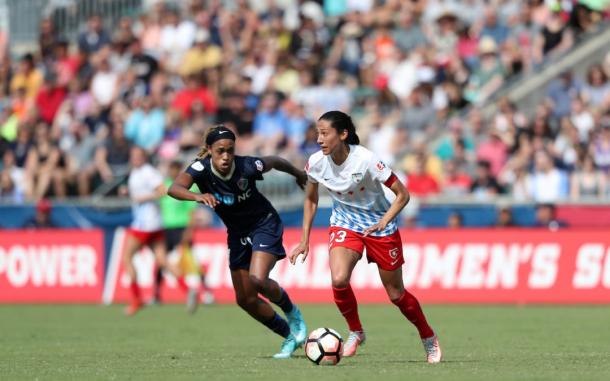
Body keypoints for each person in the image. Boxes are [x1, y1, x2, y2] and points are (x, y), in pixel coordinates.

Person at [289, 111, 442, 363]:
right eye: (318, 133)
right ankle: (356, 331)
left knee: (396, 295)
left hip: (380, 227)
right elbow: (311, 198)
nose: (319, 139)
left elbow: (402, 194)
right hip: (345, 224)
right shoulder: (316, 162)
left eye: (325, 133)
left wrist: (385, 220)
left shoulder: (366, 159)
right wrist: (304, 239)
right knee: (339, 279)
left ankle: (428, 337)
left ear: (343, 134)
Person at [167, 124, 308, 359]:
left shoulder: (247, 166)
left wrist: (297, 174)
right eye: (220, 150)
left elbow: (274, 160)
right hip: (237, 233)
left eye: (230, 150)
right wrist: (197, 196)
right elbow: (174, 188)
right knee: (245, 299)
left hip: (264, 223)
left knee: (258, 279)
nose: (225, 156)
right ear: (209, 149)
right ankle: (291, 336)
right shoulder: (200, 169)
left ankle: (293, 314)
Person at [122, 147, 185, 316]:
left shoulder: (148, 172)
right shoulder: (136, 173)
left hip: (145, 224)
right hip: (154, 224)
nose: (135, 158)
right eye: (133, 155)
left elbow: (163, 191)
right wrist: (128, 192)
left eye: (138, 156)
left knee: (126, 257)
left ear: (144, 157)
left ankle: (137, 299)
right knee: (162, 260)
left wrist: (144, 198)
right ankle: (188, 290)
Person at [157, 160, 214, 311]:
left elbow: (192, 213)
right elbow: (154, 199)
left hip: (182, 228)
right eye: (172, 169)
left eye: (176, 169)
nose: (173, 172)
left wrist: (189, 231)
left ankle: (207, 292)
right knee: (160, 261)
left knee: (192, 262)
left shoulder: (186, 188)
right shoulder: (164, 186)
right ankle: (156, 295)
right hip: (167, 228)